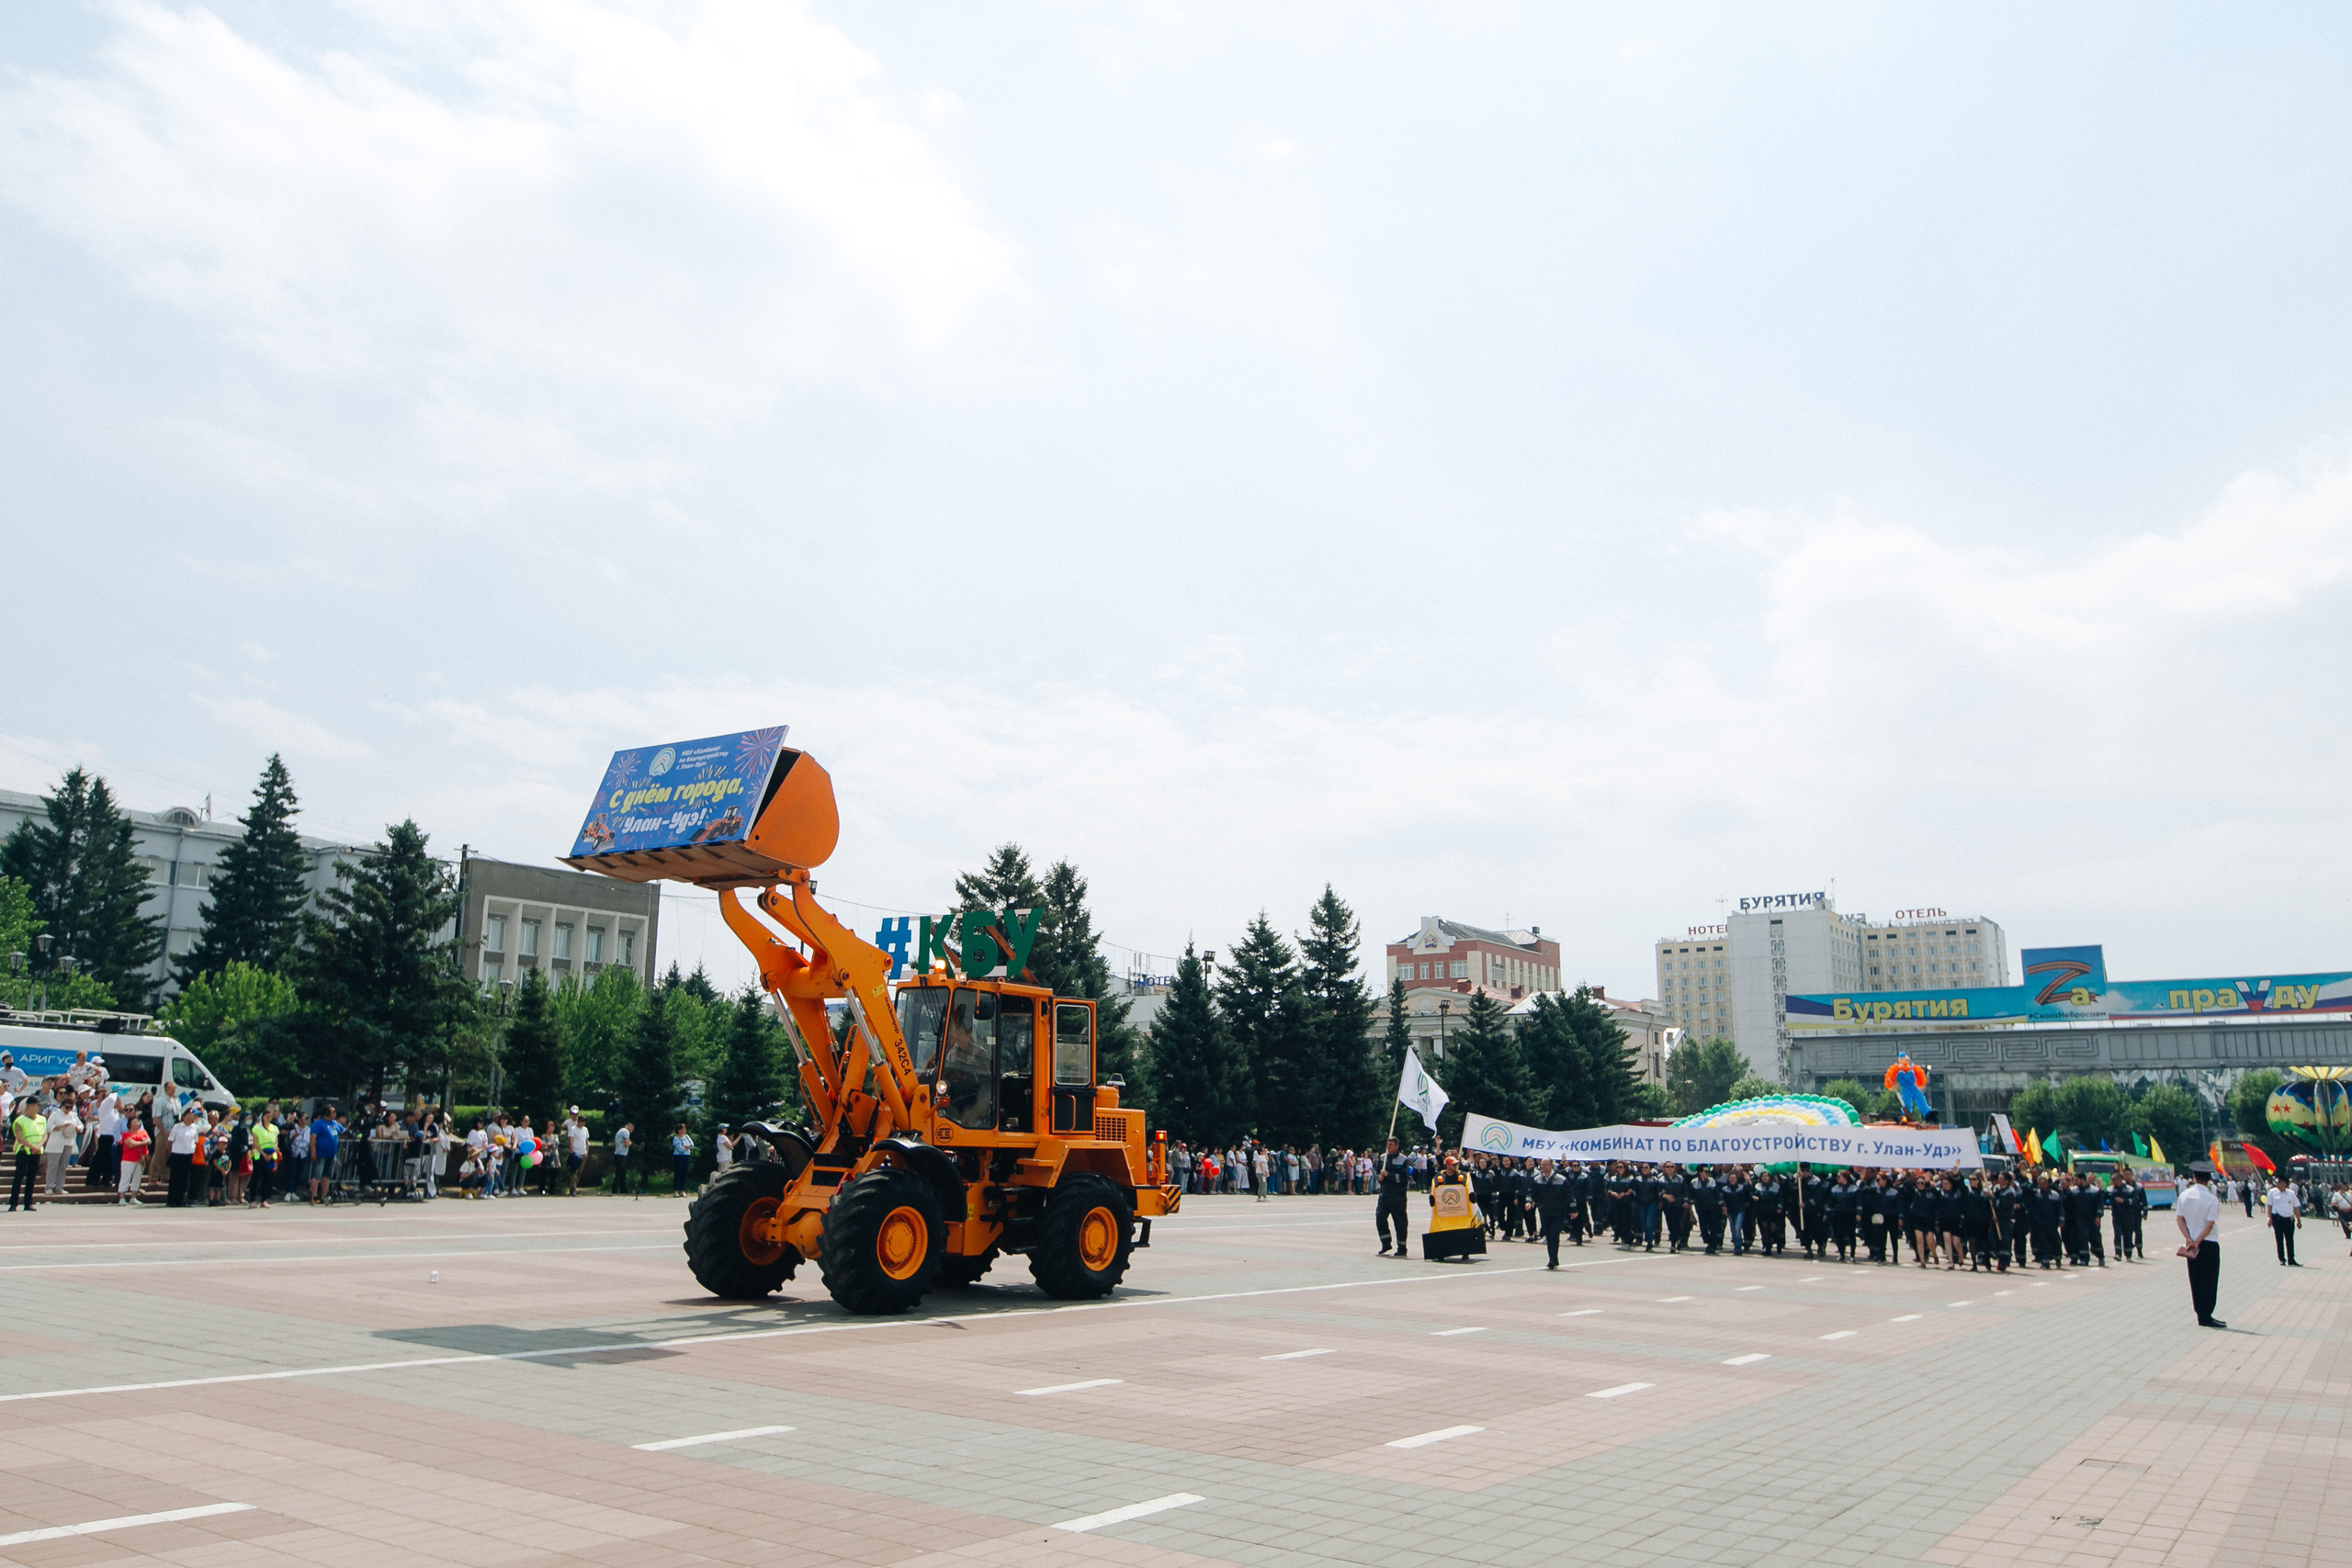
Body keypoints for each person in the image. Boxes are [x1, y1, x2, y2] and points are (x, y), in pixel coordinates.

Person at [2177, 1161, 2224, 1327]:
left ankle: (2200, 1313)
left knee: (2195, 1278)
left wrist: (2189, 1239)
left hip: (2191, 1245)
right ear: (2209, 1179)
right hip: (2209, 1243)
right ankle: (2206, 1315)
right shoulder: (2211, 1199)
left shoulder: (2184, 1195)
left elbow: (2180, 1219)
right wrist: (2198, 1240)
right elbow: (2210, 1224)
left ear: (2194, 1177)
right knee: (2209, 1280)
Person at [1375, 1137, 1411, 1256]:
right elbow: (1377, 1172)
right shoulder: (1382, 1158)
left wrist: (1389, 1175)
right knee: (1380, 1218)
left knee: (1400, 1222)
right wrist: (1379, 1178)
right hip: (1384, 1195)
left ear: (1396, 1146)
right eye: (1387, 1144)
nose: (1388, 1146)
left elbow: (1403, 1178)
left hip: (1398, 1196)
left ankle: (1402, 1247)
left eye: (1391, 1144)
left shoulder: (1403, 1160)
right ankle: (1386, 1243)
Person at [9, 1097, 44, 1212]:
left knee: (31, 1178)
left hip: (36, 1152)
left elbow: (45, 1134)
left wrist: (38, 1146)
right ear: (29, 1106)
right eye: (36, 1105)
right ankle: (13, 1203)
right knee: (19, 1177)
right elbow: (20, 1137)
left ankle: (28, 1202)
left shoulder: (42, 1119)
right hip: (24, 1151)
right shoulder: (20, 1120)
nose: (38, 1107)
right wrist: (32, 1146)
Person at [310, 1104, 343, 1204]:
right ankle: (314, 1196)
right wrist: (314, 1151)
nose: (335, 1113)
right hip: (320, 1153)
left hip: (331, 1154)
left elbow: (343, 1132)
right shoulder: (318, 1124)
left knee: (327, 1175)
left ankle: (324, 1196)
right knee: (316, 1175)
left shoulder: (335, 1124)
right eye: (333, 1112)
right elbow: (313, 1138)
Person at [116, 1112, 151, 1203]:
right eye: (134, 1122)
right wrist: (142, 1142)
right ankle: (122, 1198)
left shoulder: (143, 1132)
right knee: (125, 1178)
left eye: (137, 1122)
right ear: (130, 1124)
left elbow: (149, 1141)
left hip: (140, 1159)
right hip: (128, 1159)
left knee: (137, 1177)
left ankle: (133, 1198)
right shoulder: (125, 1134)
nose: (136, 1124)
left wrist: (138, 1142)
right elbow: (131, 1144)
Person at [2267, 1179, 2302, 1266]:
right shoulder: (2272, 1192)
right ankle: (2282, 1258)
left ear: (2284, 1184)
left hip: (2289, 1219)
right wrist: (2270, 1219)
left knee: (2290, 1240)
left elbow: (2296, 1207)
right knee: (2279, 1239)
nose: (2278, 1184)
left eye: (2279, 1182)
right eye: (2277, 1182)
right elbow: (2269, 1206)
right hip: (2277, 1219)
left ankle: (2291, 1259)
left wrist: (2298, 1220)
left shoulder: (2291, 1193)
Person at [670, 1122, 694, 1196]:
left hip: (686, 1156)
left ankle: (682, 1190)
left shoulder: (687, 1136)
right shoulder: (676, 1138)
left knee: (684, 1173)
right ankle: (675, 1190)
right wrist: (686, 1148)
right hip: (678, 1157)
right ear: (679, 1130)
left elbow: (692, 1145)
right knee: (678, 1173)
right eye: (683, 1129)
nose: (684, 1130)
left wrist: (685, 1146)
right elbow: (679, 1148)